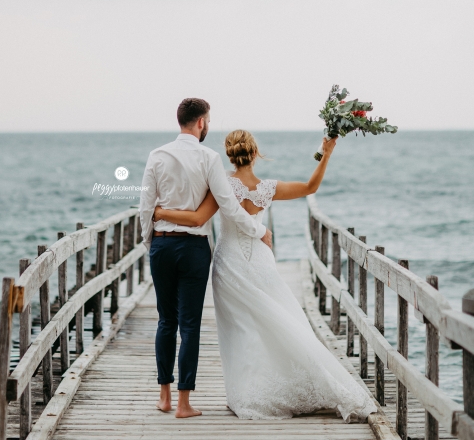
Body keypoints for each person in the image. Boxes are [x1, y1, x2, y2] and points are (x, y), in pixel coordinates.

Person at [154, 129, 377, 422]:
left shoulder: (221, 186)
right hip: (260, 262)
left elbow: (197, 218)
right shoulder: (268, 188)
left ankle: (247, 394)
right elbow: (311, 187)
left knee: (240, 330)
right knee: (278, 321)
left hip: (228, 263)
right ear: (255, 153)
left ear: (230, 155)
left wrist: (159, 212)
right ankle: (288, 384)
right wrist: (326, 152)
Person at [139, 100, 273, 419]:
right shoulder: (209, 157)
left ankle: (164, 397)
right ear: (200, 123)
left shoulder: (157, 155)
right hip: (194, 249)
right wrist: (259, 230)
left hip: (162, 244)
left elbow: (146, 206)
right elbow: (228, 206)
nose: (208, 125)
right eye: (208, 120)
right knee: (190, 325)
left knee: (165, 320)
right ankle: (184, 405)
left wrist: (151, 241)